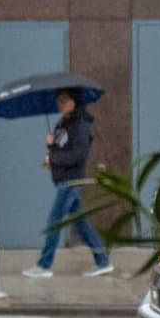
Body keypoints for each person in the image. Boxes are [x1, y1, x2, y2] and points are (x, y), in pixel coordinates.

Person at [22, 88, 113, 278]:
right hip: (64, 179)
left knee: (54, 222)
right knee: (81, 223)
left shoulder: (80, 125)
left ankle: (44, 265)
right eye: (58, 101)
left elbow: (78, 155)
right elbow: (61, 148)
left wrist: (54, 159)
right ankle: (103, 260)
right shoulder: (64, 122)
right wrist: (50, 145)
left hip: (71, 180)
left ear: (74, 101)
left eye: (63, 100)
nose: (59, 104)